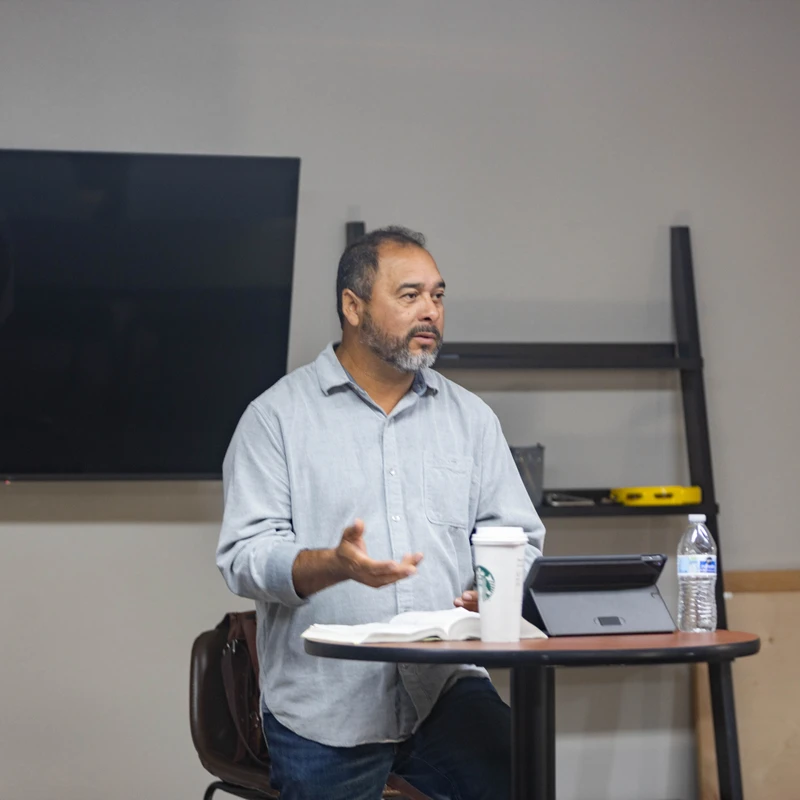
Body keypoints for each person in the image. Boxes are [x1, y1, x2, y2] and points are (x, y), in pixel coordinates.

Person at [216, 226, 545, 800]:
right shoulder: (276, 419)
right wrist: (332, 564)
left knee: (526, 779)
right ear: (353, 306)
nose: (430, 312)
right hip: (328, 702)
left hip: (441, 686)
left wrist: (498, 584)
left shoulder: (471, 419)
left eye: (438, 296)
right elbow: (244, 556)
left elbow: (516, 534)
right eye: (410, 295)